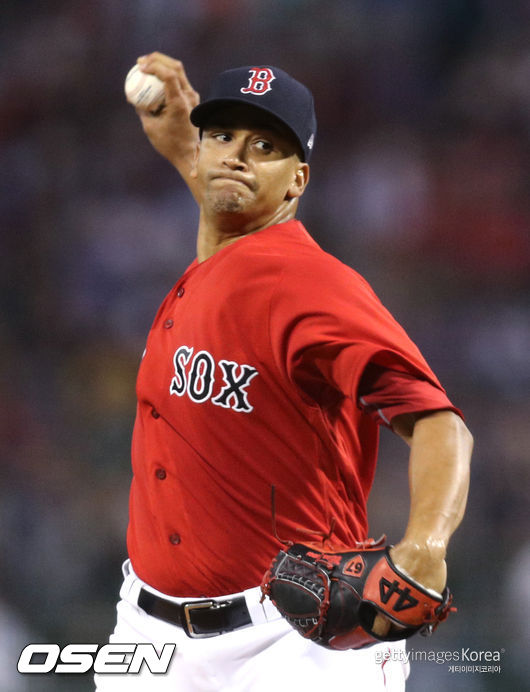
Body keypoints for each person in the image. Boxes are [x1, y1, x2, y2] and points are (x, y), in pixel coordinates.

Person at [95, 53, 473, 691]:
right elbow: (227, 207)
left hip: (292, 643)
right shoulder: (219, 260)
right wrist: (186, 144)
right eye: (223, 136)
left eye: (265, 146)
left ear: (298, 181)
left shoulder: (310, 284)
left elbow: (440, 423)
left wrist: (427, 543)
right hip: (149, 636)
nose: (237, 157)